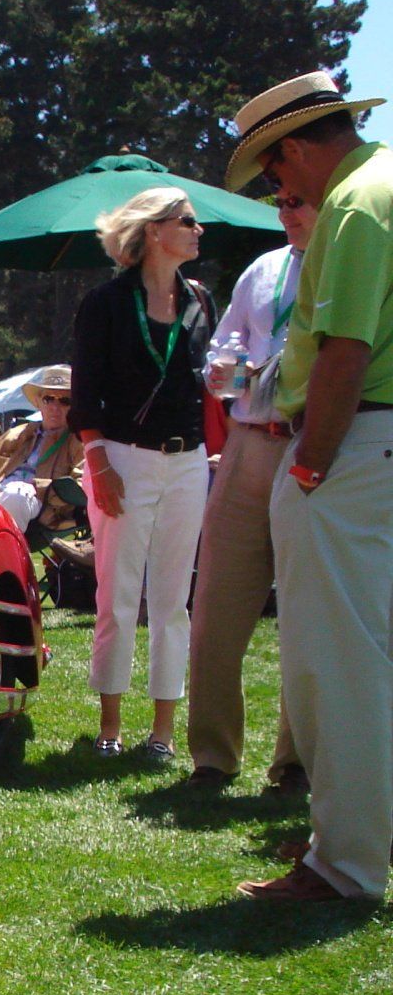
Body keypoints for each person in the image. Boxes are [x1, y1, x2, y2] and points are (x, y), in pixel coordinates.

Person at [222, 71, 393, 903]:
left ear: (293, 148)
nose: (278, 191)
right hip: (374, 445)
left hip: (354, 448)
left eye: (273, 174)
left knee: (338, 663)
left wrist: (312, 463)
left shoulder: (355, 207)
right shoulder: (384, 187)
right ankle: (353, 835)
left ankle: (346, 864)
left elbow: (344, 351)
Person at [69, 186, 215, 763]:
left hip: (188, 462)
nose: (198, 230)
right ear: (155, 231)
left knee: (174, 600)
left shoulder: (201, 300)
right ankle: (110, 725)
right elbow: (85, 397)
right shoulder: (104, 303)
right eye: (188, 221)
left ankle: (163, 731)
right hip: (122, 457)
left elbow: (204, 382)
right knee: (118, 593)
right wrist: (98, 461)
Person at [183, 189, 319, 791]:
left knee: (309, 615)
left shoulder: (358, 263)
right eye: (282, 203)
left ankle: (295, 764)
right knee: (214, 608)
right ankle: (212, 759)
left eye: (301, 203)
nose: (288, 214)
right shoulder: (264, 268)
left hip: (314, 445)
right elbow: (225, 345)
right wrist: (222, 369)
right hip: (246, 445)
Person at [0, 366, 81, 531]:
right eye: (48, 399)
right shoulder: (17, 434)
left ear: (74, 406)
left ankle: (2, 553)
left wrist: (41, 487)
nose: (55, 406)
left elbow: (80, 487)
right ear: (38, 402)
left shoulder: (78, 440)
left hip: (39, 504)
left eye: (64, 401)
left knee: (15, 494)